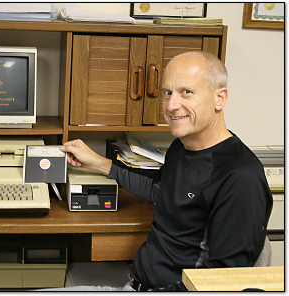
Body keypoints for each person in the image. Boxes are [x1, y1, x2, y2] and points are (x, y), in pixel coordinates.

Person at [59, 51, 273, 291]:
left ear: (219, 98)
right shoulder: (181, 147)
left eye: (186, 92)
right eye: (167, 93)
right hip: (134, 284)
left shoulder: (240, 177)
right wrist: (96, 161)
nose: (171, 106)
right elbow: (158, 188)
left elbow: (221, 285)